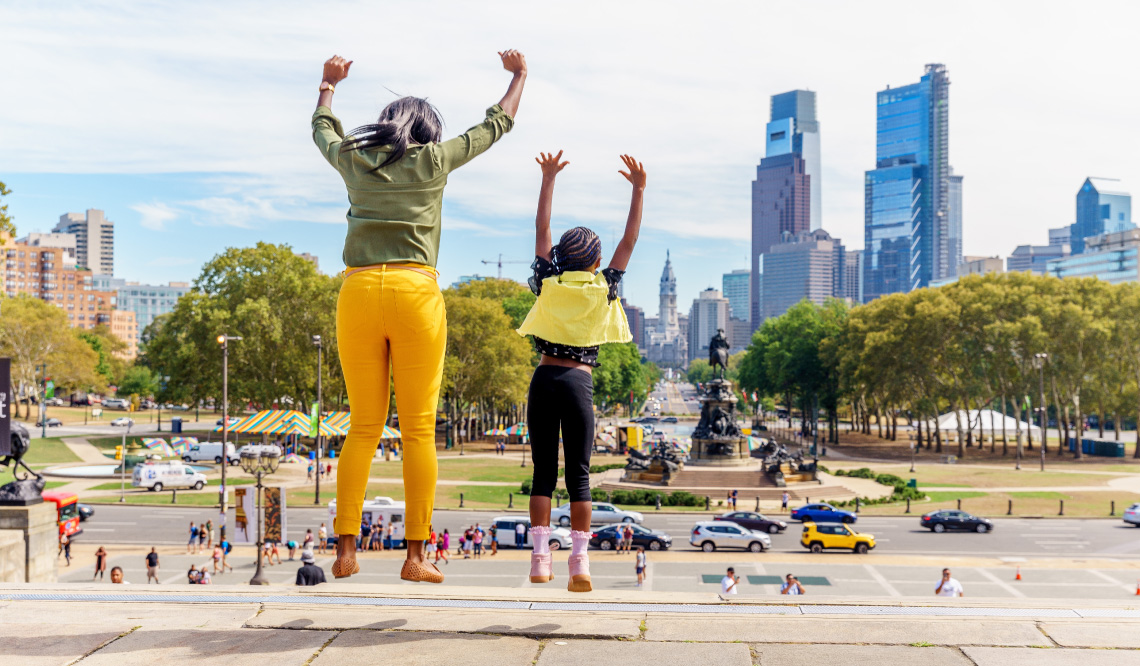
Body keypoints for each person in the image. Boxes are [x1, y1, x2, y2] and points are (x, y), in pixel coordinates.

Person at [313, 49, 527, 585]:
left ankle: (345, 549)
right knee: (419, 431)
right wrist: (520, 76)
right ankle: (414, 555)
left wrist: (328, 86)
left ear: (386, 126)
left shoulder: (355, 160)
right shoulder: (434, 160)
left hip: (358, 292)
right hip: (416, 293)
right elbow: (495, 126)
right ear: (428, 131)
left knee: (362, 427)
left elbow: (321, 130)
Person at [517, 151, 647, 594]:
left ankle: (539, 559)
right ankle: (579, 562)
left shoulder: (547, 282)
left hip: (543, 380)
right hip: (579, 383)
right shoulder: (603, 286)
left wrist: (547, 179)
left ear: (559, 259)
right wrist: (638, 189)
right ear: (595, 263)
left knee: (541, 473)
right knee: (580, 475)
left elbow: (541, 229)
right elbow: (629, 241)